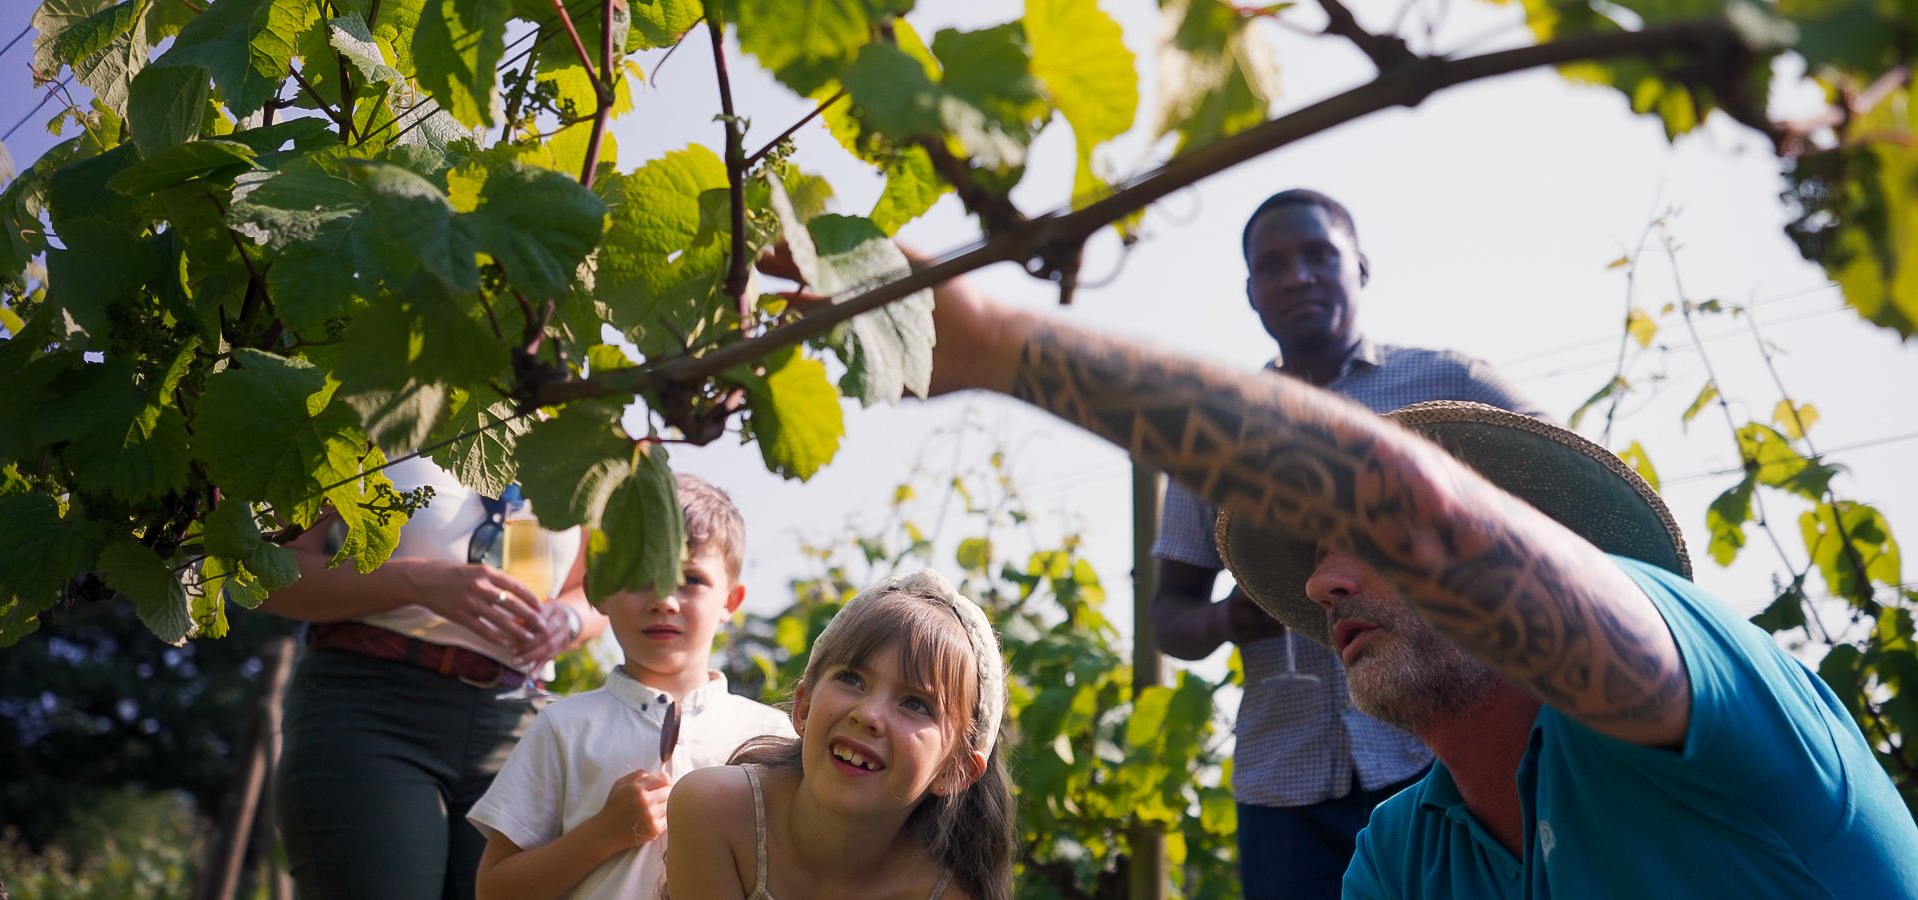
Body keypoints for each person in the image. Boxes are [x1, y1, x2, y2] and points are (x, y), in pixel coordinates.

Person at [910, 261, 1918, 895]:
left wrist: (1003, 344)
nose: (1325, 586)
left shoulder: (1686, 697)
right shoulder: (1406, 852)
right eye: (1309, 558)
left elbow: (1424, 507)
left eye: (1360, 540)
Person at [1150, 188, 1540, 899]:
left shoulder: (1451, 383)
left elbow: (1571, 502)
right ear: (1250, 292)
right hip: (1285, 781)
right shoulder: (1210, 433)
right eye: (1272, 265)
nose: (1297, 275)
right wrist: (1227, 619)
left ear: (1360, 266)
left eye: (1318, 255)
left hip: (1444, 752)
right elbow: (1168, 615)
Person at [267, 456, 606, 899]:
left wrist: (570, 619)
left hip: (516, 728)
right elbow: (266, 572)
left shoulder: (569, 427)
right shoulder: (366, 405)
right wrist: (415, 583)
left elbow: (594, 587)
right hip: (369, 712)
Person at [466, 473, 794, 899]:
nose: (663, 600)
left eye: (690, 580)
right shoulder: (562, 728)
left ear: (730, 601)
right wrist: (604, 833)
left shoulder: (773, 738)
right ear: (597, 592)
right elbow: (495, 890)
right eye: (638, 575)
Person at [665, 570, 1015, 900]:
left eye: (916, 704)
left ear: (956, 771)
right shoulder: (713, 812)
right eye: (852, 679)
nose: (867, 715)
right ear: (802, 707)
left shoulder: (948, 893)